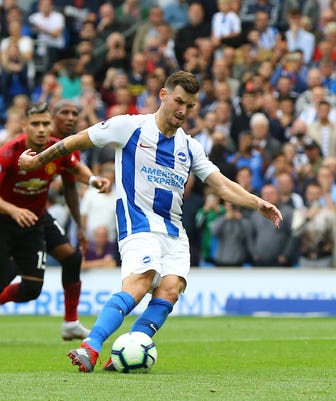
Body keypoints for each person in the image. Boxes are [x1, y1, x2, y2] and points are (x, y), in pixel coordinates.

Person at [18, 71, 283, 372]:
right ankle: (90, 346)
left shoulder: (190, 146)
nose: (183, 111)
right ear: (163, 95)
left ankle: (126, 354)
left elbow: (221, 184)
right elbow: (78, 141)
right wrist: (38, 160)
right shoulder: (128, 126)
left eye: (190, 106)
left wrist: (257, 202)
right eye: (179, 102)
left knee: (170, 289)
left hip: (174, 233)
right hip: (138, 224)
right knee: (142, 280)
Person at [0, 101, 110, 345]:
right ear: (24, 126)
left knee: (32, 289)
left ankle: (64, 320)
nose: (41, 129)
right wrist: (13, 210)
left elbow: (75, 167)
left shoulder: (55, 149)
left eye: (45, 124)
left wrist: (93, 180)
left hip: (33, 222)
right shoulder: (9, 152)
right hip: (1, 222)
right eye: (35, 124)